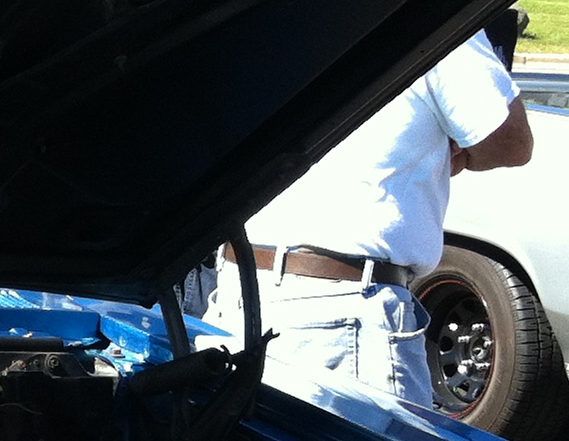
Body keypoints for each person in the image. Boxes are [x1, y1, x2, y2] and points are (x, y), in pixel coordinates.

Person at [209, 29, 532, 405]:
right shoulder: (434, 15)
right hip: (340, 312)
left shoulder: (275, 14)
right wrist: (455, 152)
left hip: (236, 294)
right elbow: (510, 140)